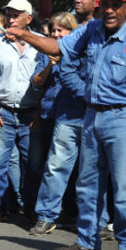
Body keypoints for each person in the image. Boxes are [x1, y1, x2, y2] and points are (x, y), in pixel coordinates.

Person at [8, 0, 126, 250]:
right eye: (104, 3)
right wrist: (24, 34)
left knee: (125, 185)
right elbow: (58, 47)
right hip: (92, 116)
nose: (108, 10)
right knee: (88, 184)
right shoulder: (91, 30)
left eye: (115, 4)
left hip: (125, 117)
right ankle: (86, 243)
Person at [0, 0, 43, 221]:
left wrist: (40, 110)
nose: (12, 18)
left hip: (31, 113)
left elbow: (51, 80)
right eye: (9, 14)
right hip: (2, 111)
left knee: (33, 165)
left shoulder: (41, 43)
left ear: (29, 18)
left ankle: (31, 208)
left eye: (17, 14)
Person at [29, 12, 86, 235]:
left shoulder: (83, 50)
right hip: (53, 115)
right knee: (52, 168)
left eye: (61, 31)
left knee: (86, 172)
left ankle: (87, 218)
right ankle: (45, 216)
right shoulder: (47, 52)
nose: (56, 34)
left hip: (82, 115)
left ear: (73, 33)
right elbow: (36, 83)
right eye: (53, 30)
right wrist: (51, 65)